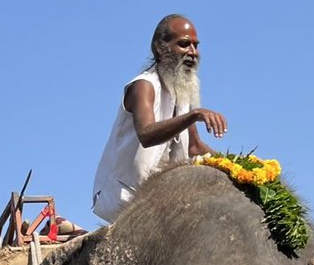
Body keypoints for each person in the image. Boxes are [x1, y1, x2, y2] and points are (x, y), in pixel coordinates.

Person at [91, 14, 228, 223]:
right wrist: (194, 115)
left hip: (161, 198)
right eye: (184, 45)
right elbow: (146, 134)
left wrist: (236, 168)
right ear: (161, 48)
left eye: (195, 46)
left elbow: (194, 147)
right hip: (126, 197)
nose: (192, 53)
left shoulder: (183, 92)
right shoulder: (143, 86)